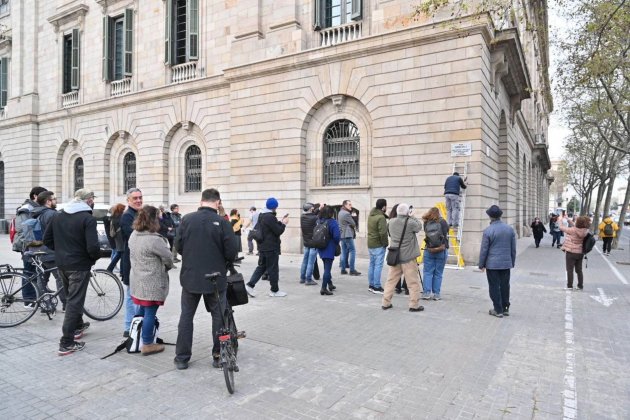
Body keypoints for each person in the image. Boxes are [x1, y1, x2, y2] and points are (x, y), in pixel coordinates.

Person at [173, 188, 238, 370]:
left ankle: (182, 358)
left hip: (191, 277)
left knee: (186, 317)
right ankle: (219, 355)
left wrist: (192, 259)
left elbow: (178, 246)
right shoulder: (222, 222)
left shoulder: (186, 219)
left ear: (201, 201)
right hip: (215, 279)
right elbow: (232, 252)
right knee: (219, 317)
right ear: (218, 203)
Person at [43, 189, 100, 355]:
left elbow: (47, 240)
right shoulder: (88, 218)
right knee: (74, 302)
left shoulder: (58, 215)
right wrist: (92, 259)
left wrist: (61, 251)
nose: (92, 201)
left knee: (70, 299)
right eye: (92, 199)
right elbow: (93, 247)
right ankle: (66, 342)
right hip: (79, 265)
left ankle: (77, 326)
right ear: (88, 201)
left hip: (62, 264)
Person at [129, 205, 174, 356]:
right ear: (153, 219)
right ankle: (147, 343)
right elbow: (168, 258)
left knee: (141, 310)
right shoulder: (155, 240)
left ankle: (139, 338)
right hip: (151, 282)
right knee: (150, 313)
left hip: (137, 280)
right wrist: (167, 267)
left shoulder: (134, 234)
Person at [381, 203, 424, 312]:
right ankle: (414, 305)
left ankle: (386, 303)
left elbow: (390, 234)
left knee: (390, 281)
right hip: (408, 258)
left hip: (395, 256)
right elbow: (419, 226)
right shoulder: (410, 222)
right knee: (413, 283)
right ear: (407, 212)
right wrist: (412, 216)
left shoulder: (390, 222)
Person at [245, 197, 289, 297]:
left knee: (261, 267)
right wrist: (284, 224)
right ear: (274, 207)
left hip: (262, 247)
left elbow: (270, 228)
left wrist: (280, 222)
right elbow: (278, 231)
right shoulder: (270, 217)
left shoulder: (262, 215)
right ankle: (275, 291)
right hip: (271, 247)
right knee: (273, 269)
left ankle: (249, 286)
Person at [478, 205, 516, 318]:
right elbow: (513, 248)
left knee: (494, 286)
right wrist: (512, 261)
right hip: (505, 263)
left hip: (492, 264)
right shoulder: (509, 229)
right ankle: (505, 308)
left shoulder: (488, 230)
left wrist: (481, 264)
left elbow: (484, 249)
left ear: (490, 217)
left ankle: (497, 309)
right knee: (505, 285)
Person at [13, 186, 48, 306]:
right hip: (29, 245)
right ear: (35, 196)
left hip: (39, 244)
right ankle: (28, 299)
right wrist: (30, 245)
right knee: (29, 272)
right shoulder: (26, 209)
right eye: (43, 195)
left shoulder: (39, 207)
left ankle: (38, 295)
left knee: (38, 271)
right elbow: (23, 229)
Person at [31, 191, 66, 310]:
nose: (56, 201)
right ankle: (66, 304)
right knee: (60, 278)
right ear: (48, 201)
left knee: (42, 278)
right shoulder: (51, 214)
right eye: (54, 199)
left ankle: (45, 304)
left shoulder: (37, 213)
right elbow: (60, 233)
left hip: (39, 250)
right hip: (51, 251)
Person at [121, 187, 143, 337]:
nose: (138, 200)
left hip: (140, 261)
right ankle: (129, 327)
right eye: (135, 198)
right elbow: (134, 238)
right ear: (128, 200)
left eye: (140, 197)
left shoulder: (139, 214)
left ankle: (137, 324)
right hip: (130, 261)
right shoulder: (127, 216)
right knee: (130, 295)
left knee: (138, 295)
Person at [421, 207, 449, 300]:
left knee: (428, 272)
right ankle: (436, 294)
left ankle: (426, 293)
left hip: (429, 250)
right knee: (438, 273)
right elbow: (446, 233)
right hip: (441, 249)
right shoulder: (443, 222)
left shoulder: (426, 222)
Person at [560, 215, 591, 290]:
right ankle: (580, 286)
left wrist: (559, 221)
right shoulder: (585, 230)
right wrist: (568, 219)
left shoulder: (573, 230)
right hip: (580, 252)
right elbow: (576, 227)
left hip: (571, 252)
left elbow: (561, 228)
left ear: (579, 223)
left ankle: (570, 286)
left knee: (570, 270)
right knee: (579, 270)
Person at [316, 206, 341, 295]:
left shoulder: (319, 221)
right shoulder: (332, 222)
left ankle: (330, 284)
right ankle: (323, 288)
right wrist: (336, 243)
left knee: (326, 265)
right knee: (327, 269)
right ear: (331, 213)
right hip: (329, 247)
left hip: (320, 246)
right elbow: (337, 236)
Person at [367, 199, 388, 294]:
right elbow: (383, 233)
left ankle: (371, 285)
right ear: (383, 207)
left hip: (370, 243)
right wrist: (385, 243)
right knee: (378, 265)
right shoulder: (381, 217)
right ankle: (377, 286)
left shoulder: (371, 215)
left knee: (372, 264)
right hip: (378, 244)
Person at [389, 204, 408, 295]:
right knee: (408, 270)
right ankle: (406, 286)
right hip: (406, 249)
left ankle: (397, 287)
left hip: (394, 248)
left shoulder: (391, 221)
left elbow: (390, 234)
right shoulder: (407, 221)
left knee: (395, 270)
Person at [300, 202, 321, 286]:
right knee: (311, 262)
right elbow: (316, 220)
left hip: (306, 241)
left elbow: (312, 215)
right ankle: (308, 279)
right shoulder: (315, 218)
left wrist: (317, 209)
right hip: (313, 242)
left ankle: (302, 278)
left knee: (305, 260)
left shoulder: (302, 217)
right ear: (310, 209)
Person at [338, 199, 361, 276]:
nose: (351, 206)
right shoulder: (347, 214)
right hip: (347, 234)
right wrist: (354, 218)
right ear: (345, 205)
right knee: (352, 251)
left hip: (342, 234)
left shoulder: (340, 212)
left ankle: (343, 269)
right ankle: (352, 269)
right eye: (349, 204)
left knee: (344, 251)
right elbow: (353, 224)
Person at [106, 204, 126, 273]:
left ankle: (119, 270)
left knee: (120, 253)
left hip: (118, 237)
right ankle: (111, 269)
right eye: (123, 209)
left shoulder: (114, 216)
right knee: (120, 253)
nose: (124, 210)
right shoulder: (119, 217)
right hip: (120, 237)